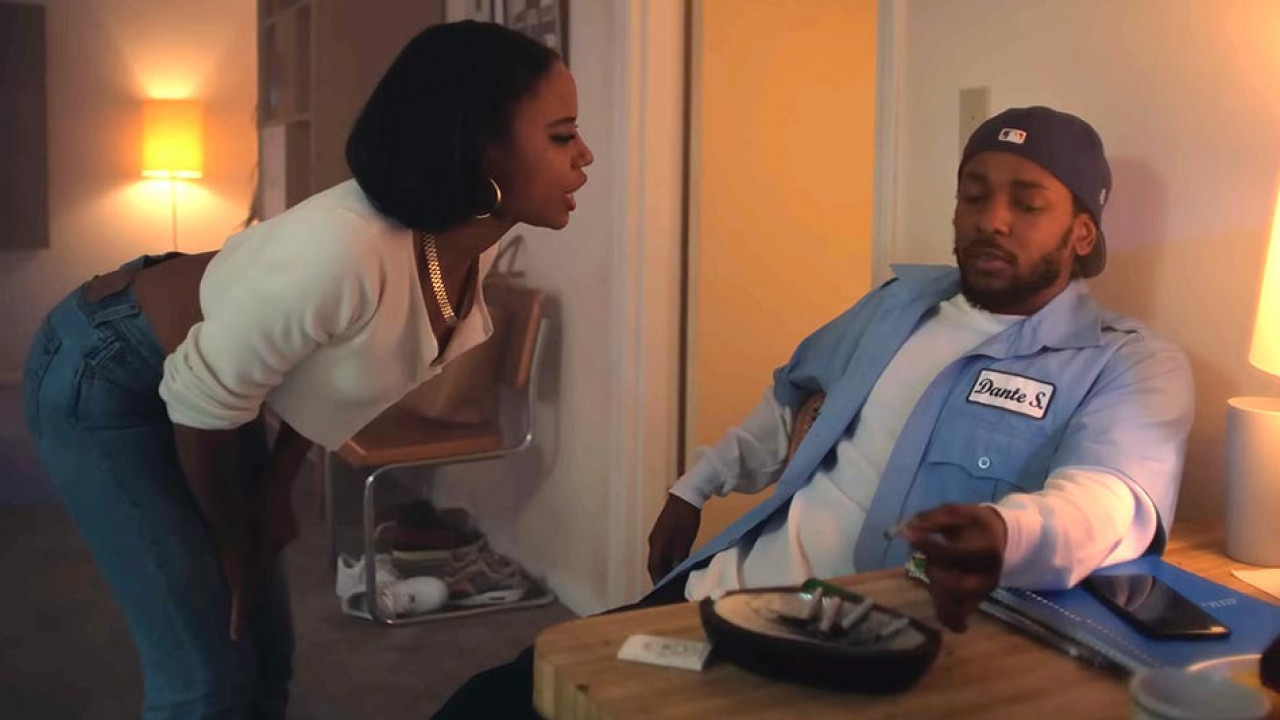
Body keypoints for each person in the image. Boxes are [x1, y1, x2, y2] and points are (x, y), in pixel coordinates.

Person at [432, 106, 1194, 718]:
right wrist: (694, 488)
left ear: (1082, 231)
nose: (991, 219)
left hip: (854, 648)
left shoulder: (1125, 364)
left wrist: (1006, 533)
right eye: (974, 194)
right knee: (491, 700)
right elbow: (791, 398)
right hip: (721, 593)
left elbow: (1109, 501)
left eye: (1027, 203)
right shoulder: (898, 303)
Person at [22, 20, 592, 719]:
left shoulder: (465, 248)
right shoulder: (344, 250)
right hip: (107, 368)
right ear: (479, 146)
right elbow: (203, 404)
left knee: (268, 655)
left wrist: (274, 493)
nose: (585, 156)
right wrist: (233, 539)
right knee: (206, 672)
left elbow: (321, 382)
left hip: (221, 387)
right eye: (562, 136)